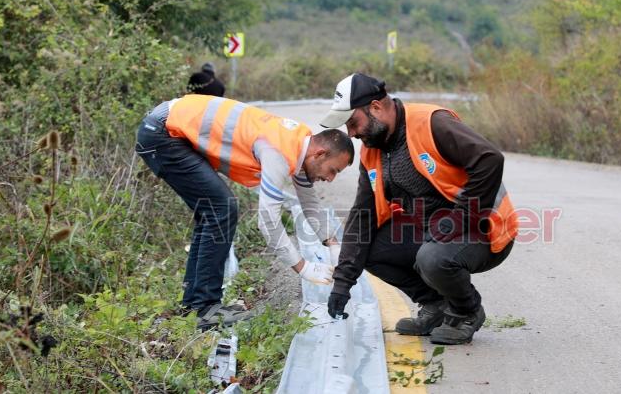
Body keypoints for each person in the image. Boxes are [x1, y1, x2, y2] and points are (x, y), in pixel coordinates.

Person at [320, 73, 518, 345]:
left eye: (353, 123)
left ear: (376, 107)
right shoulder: (372, 152)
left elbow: (489, 159)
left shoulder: (431, 123)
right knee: (370, 247)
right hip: (433, 231)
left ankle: (466, 311)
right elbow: (362, 216)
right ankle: (435, 305)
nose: (351, 134)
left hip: (483, 228)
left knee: (432, 257)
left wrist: (458, 219)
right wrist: (343, 283)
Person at [136, 94, 354, 328]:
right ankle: (205, 308)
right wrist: (303, 267)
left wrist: (333, 245)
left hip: (169, 128)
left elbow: (310, 204)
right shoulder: (279, 151)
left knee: (213, 211)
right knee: (221, 208)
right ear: (319, 154)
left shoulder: (301, 145)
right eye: (333, 170)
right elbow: (268, 221)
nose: (330, 179)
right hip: (163, 133)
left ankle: (195, 305)